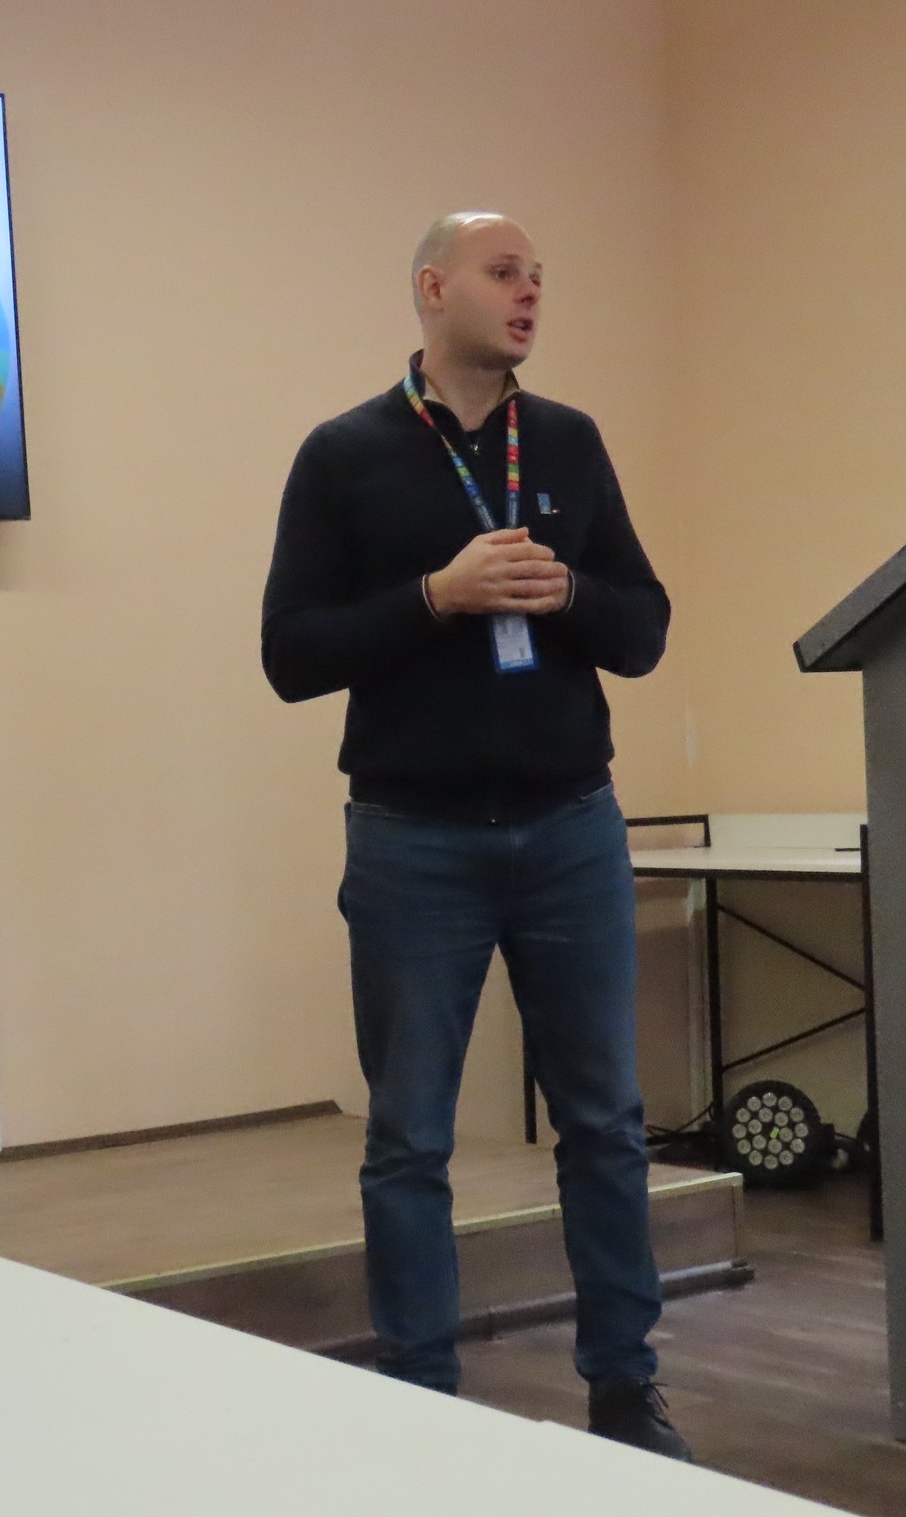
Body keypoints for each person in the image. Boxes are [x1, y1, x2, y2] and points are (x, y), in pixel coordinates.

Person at [260, 213, 685, 1459]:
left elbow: (643, 627)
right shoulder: (344, 454)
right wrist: (434, 597)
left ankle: (624, 1389)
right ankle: (418, 1401)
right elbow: (290, 654)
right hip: (414, 842)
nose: (528, 294)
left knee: (603, 1125)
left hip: (568, 829)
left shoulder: (566, 441)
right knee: (409, 1138)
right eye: (504, 274)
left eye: (539, 278)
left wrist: (570, 593)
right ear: (431, 288)